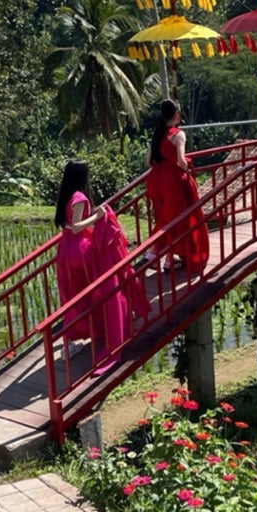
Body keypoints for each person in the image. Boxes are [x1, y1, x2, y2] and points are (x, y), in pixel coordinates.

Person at [54, 159, 147, 368]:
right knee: (97, 290)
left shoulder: (65, 195)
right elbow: (77, 226)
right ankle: (105, 328)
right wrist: (97, 217)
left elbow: (67, 225)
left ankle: (78, 336)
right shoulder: (79, 197)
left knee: (73, 293)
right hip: (80, 249)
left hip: (65, 249)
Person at [145, 100, 210, 273]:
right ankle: (152, 253)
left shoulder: (157, 134)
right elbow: (181, 161)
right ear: (176, 114)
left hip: (157, 180)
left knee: (165, 218)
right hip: (172, 182)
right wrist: (188, 166)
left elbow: (149, 161)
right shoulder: (178, 135)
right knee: (174, 220)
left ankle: (168, 259)